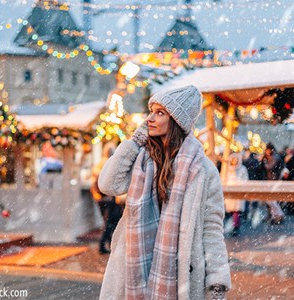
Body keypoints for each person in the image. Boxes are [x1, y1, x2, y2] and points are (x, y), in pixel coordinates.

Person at [98, 85, 231, 299]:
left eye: (160, 113)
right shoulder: (141, 158)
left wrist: (217, 278)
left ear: (177, 120)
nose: (150, 118)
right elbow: (108, 185)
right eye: (151, 111)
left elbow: (211, 226)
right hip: (134, 261)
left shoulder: (203, 170)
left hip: (179, 267)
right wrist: (134, 142)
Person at [91, 143, 122, 254]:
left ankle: (108, 244)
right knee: (110, 222)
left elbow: (94, 182)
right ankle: (104, 244)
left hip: (102, 198)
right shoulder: (109, 163)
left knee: (108, 222)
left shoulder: (100, 164)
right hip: (108, 198)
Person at [224, 153, 249, 236]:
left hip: (238, 192)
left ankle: (236, 228)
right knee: (231, 211)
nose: (234, 161)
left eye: (236, 160)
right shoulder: (228, 169)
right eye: (233, 160)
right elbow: (225, 179)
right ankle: (233, 226)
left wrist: (239, 185)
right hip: (230, 192)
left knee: (236, 211)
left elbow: (245, 180)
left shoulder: (242, 169)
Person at [262, 142, 285, 224]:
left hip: (274, 180)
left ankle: (278, 215)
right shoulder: (272, 156)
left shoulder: (275, 157)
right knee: (270, 199)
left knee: (272, 200)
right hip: (271, 179)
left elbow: (269, 167)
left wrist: (264, 161)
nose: (266, 152)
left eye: (267, 150)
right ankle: (274, 216)